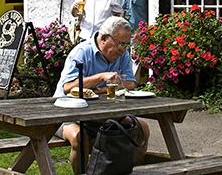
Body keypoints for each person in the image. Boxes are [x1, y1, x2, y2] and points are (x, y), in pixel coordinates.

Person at [54, 16, 150, 173]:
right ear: (104, 38)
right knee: (80, 138)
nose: (123, 49)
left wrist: (100, 90)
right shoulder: (81, 53)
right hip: (67, 114)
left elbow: (131, 83)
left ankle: (134, 172)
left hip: (101, 115)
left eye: (127, 45)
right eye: (120, 44)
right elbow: (67, 87)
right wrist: (101, 77)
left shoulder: (122, 55)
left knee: (141, 128)